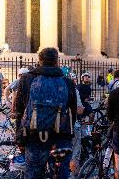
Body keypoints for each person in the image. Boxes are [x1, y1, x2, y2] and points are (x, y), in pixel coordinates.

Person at [15, 47, 77, 179]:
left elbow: (19, 111)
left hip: (34, 138)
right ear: (57, 62)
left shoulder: (26, 79)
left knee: (33, 174)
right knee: (60, 175)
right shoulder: (68, 83)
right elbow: (73, 113)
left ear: (39, 61)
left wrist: (19, 138)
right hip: (61, 138)